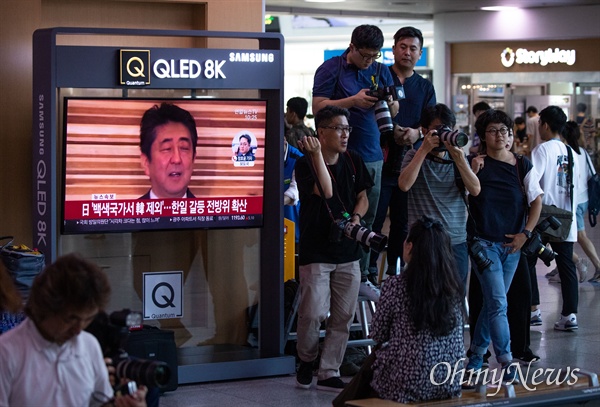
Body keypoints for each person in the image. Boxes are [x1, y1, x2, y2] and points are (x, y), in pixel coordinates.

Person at [312, 24, 399, 300]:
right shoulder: (331, 68)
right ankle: (332, 273)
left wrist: (388, 102)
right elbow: (317, 107)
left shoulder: (380, 70)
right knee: (335, 214)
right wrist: (354, 100)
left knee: (368, 218)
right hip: (336, 155)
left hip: (371, 153)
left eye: (375, 56)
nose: (370, 61)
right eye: (365, 55)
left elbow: (395, 109)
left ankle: (360, 275)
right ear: (352, 47)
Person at [0, 253, 147, 406]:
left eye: (88, 319)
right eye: (71, 319)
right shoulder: (7, 353)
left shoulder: (89, 345)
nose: (78, 330)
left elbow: (102, 403)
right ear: (44, 307)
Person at [294, 105, 372, 392]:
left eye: (347, 129)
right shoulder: (305, 163)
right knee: (313, 312)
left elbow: (363, 196)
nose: (345, 134)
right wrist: (316, 156)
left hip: (348, 251)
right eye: (338, 128)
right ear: (321, 132)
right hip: (317, 249)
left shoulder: (354, 160)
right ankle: (306, 358)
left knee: (342, 315)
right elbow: (326, 191)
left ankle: (329, 370)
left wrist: (356, 217)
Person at [465, 109, 542, 381]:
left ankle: (475, 358)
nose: (501, 136)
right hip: (483, 245)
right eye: (494, 131)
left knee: (492, 304)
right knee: (498, 303)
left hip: (512, 247)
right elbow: (463, 196)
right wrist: (471, 171)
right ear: (483, 136)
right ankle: (507, 361)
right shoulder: (473, 163)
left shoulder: (522, 164)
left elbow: (536, 202)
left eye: (505, 131)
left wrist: (526, 234)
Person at [369, 216, 464, 403]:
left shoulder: (396, 285)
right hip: (450, 380)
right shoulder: (453, 286)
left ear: (410, 246)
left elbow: (377, 334)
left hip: (406, 384)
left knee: (372, 371)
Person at [370, 26, 436, 280]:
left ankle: (394, 275)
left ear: (419, 54)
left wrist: (417, 133)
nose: (407, 52)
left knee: (402, 223)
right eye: (403, 47)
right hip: (380, 160)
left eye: (413, 49)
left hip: (410, 164)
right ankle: (368, 272)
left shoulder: (424, 87)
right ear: (394, 48)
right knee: (374, 220)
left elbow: (433, 122)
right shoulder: (379, 76)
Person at [398, 103, 480, 289]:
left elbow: (475, 190)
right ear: (425, 130)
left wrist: (458, 157)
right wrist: (423, 150)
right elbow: (404, 185)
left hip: (455, 240)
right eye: (437, 130)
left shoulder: (458, 159)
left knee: (454, 299)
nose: (442, 135)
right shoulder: (413, 155)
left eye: (446, 130)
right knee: (421, 297)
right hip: (423, 241)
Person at [528, 106, 581, 331]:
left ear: (546, 125)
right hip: (566, 219)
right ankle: (569, 315)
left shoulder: (542, 150)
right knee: (566, 267)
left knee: (528, 261)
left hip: (544, 217)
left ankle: (534, 311)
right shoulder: (572, 153)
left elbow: (531, 182)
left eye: (540, 123)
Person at [550, 121, 600, 282]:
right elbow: (592, 174)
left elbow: (563, 179)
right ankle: (562, 266)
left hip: (574, 201)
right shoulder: (582, 152)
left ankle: (595, 265)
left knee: (577, 235)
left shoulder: (567, 152)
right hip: (584, 198)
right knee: (563, 235)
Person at [139, 102, 197, 199]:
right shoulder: (127, 213)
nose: (177, 159)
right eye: (167, 148)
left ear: (193, 159)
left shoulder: (212, 214)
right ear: (146, 162)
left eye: (184, 148)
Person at [284, 137, 304, 245]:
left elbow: (294, 191)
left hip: (294, 225)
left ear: (284, 139)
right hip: (271, 229)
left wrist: (270, 206)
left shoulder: (298, 158)